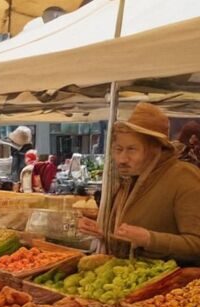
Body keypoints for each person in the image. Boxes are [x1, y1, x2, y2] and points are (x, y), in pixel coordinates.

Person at [79, 102, 200, 262]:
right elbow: (130, 234)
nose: (122, 159)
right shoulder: (131, 179)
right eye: (118, 149)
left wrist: (149, 239)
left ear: (156, 148)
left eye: (132, 149)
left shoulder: (184, 177)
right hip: (130, 273)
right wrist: (103, 231)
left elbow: (196, 245)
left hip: (172, 277)